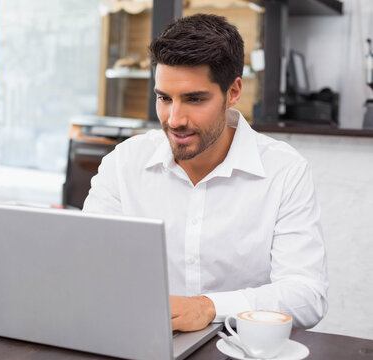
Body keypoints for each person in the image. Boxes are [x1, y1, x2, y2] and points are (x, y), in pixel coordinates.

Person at [82, 14, 328, 332]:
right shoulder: (124, 163)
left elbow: (307, 297)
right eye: (163, 98)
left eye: (195, 99)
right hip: (142, 340)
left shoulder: (284, 171)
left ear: (234, 91)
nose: (174, 119)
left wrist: (210, 308)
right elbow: (88, 267)